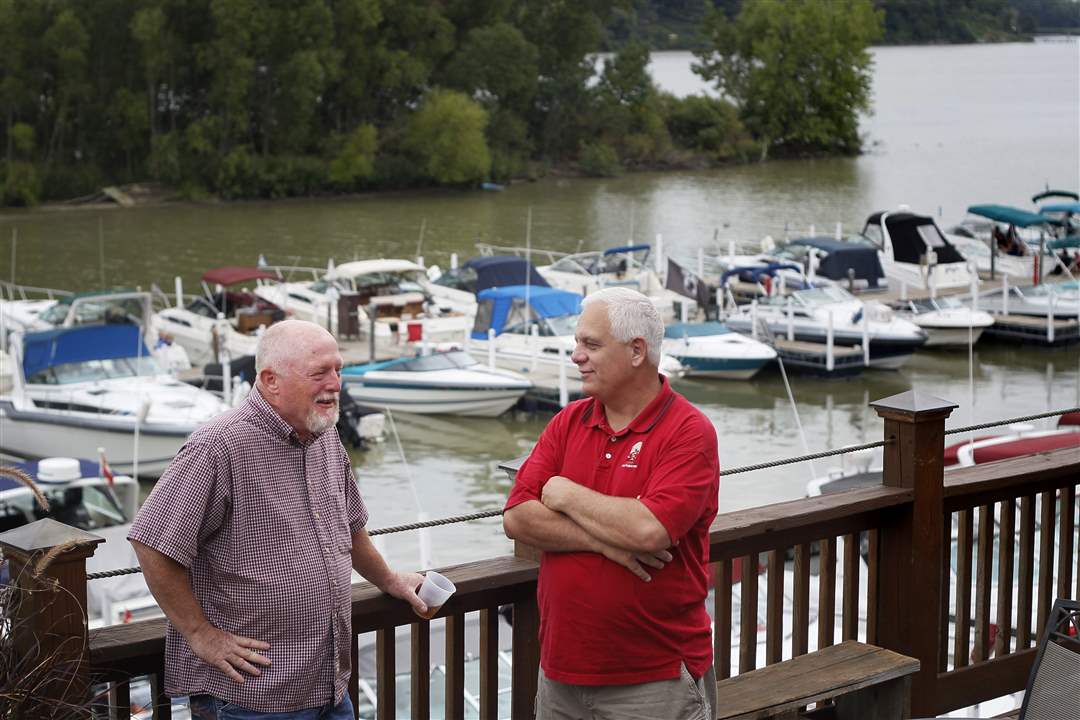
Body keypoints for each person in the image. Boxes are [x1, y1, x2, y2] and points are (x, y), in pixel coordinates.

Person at [129, 319, 426, 718]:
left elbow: (350, 528)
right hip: (252, 697)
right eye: (319, 373)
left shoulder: (324, 435)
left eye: (338, 370)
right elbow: (152, 543)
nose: (335, 384)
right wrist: (201, 634)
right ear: (271, 381)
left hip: (328, 685)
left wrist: (389, 580)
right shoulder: (218, 446)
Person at [502, 287, 720, 720]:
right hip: (559, 675)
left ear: (637, 351)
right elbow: (517, 517)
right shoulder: (568, 421)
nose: (576, 356)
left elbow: (648, 530)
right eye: (577, 343)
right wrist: (604, 542)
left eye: (591, 344)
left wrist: (566, 493)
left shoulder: (689, 432)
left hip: (654, 680)